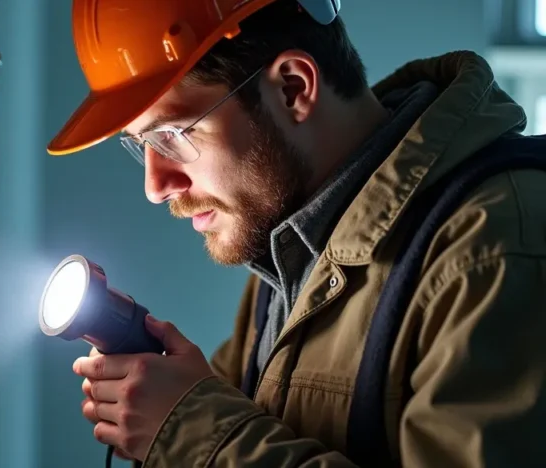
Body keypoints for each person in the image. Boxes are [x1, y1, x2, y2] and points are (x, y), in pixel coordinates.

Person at [47, 0, 546, 466]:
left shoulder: (497, 243)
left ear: (293, 88)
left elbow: (211, 431)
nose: (156, 187)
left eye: (174, 135)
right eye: (140, 145)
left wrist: (193, 431)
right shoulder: (290, 251)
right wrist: (170, 412)